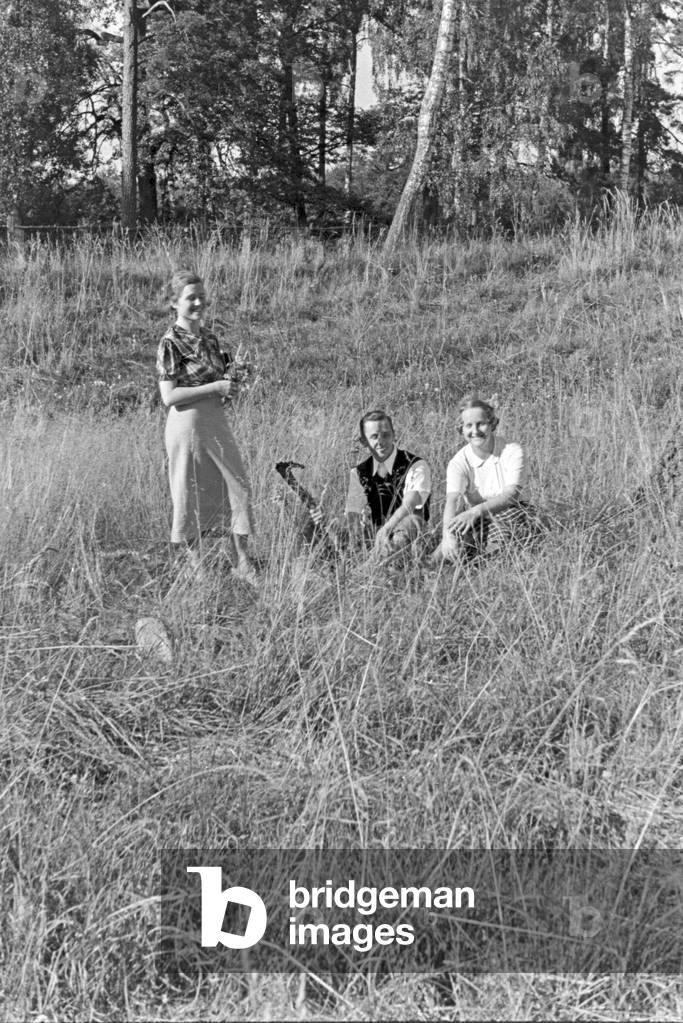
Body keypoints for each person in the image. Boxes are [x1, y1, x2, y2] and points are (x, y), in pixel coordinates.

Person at [156, 270, 257, 581]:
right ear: (174, 303)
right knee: (189, 493)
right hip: (186, 426)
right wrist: (214, 389)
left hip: (215, 421)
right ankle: (197, 567)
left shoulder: (210, 339)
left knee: (237, 486)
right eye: (190, 298)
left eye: (201, 296)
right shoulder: (170, 342)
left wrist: (231, 385)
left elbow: (220, 382)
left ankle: (242, 562)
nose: (199, 302)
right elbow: (168, 395)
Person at [434, 394, 539, 563]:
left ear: (492, 424)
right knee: (449, 542)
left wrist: (474, 511)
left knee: (499, 541)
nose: (475, 431)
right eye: (468, 425)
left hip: (514, 510)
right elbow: (452, 500)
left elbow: (510, 495)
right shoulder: (458, 462)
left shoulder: (512, 450)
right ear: (461, 429)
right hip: (477, 516)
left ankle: (479, 565)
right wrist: (447, 536)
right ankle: (428, 569)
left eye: (481, 424)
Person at [343, 410, 431, 558]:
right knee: (329, 528)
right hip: (374, 530)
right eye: (374, 437)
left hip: (407, 530)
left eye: (385, 434)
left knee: (411, 523)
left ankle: (376, 568)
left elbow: (410, 504)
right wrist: (355, 537)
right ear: (364, 441)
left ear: (394, 434)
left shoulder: (415, 464)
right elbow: (353, 511)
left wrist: (385, 530)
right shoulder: (358, 473)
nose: (381, 441)